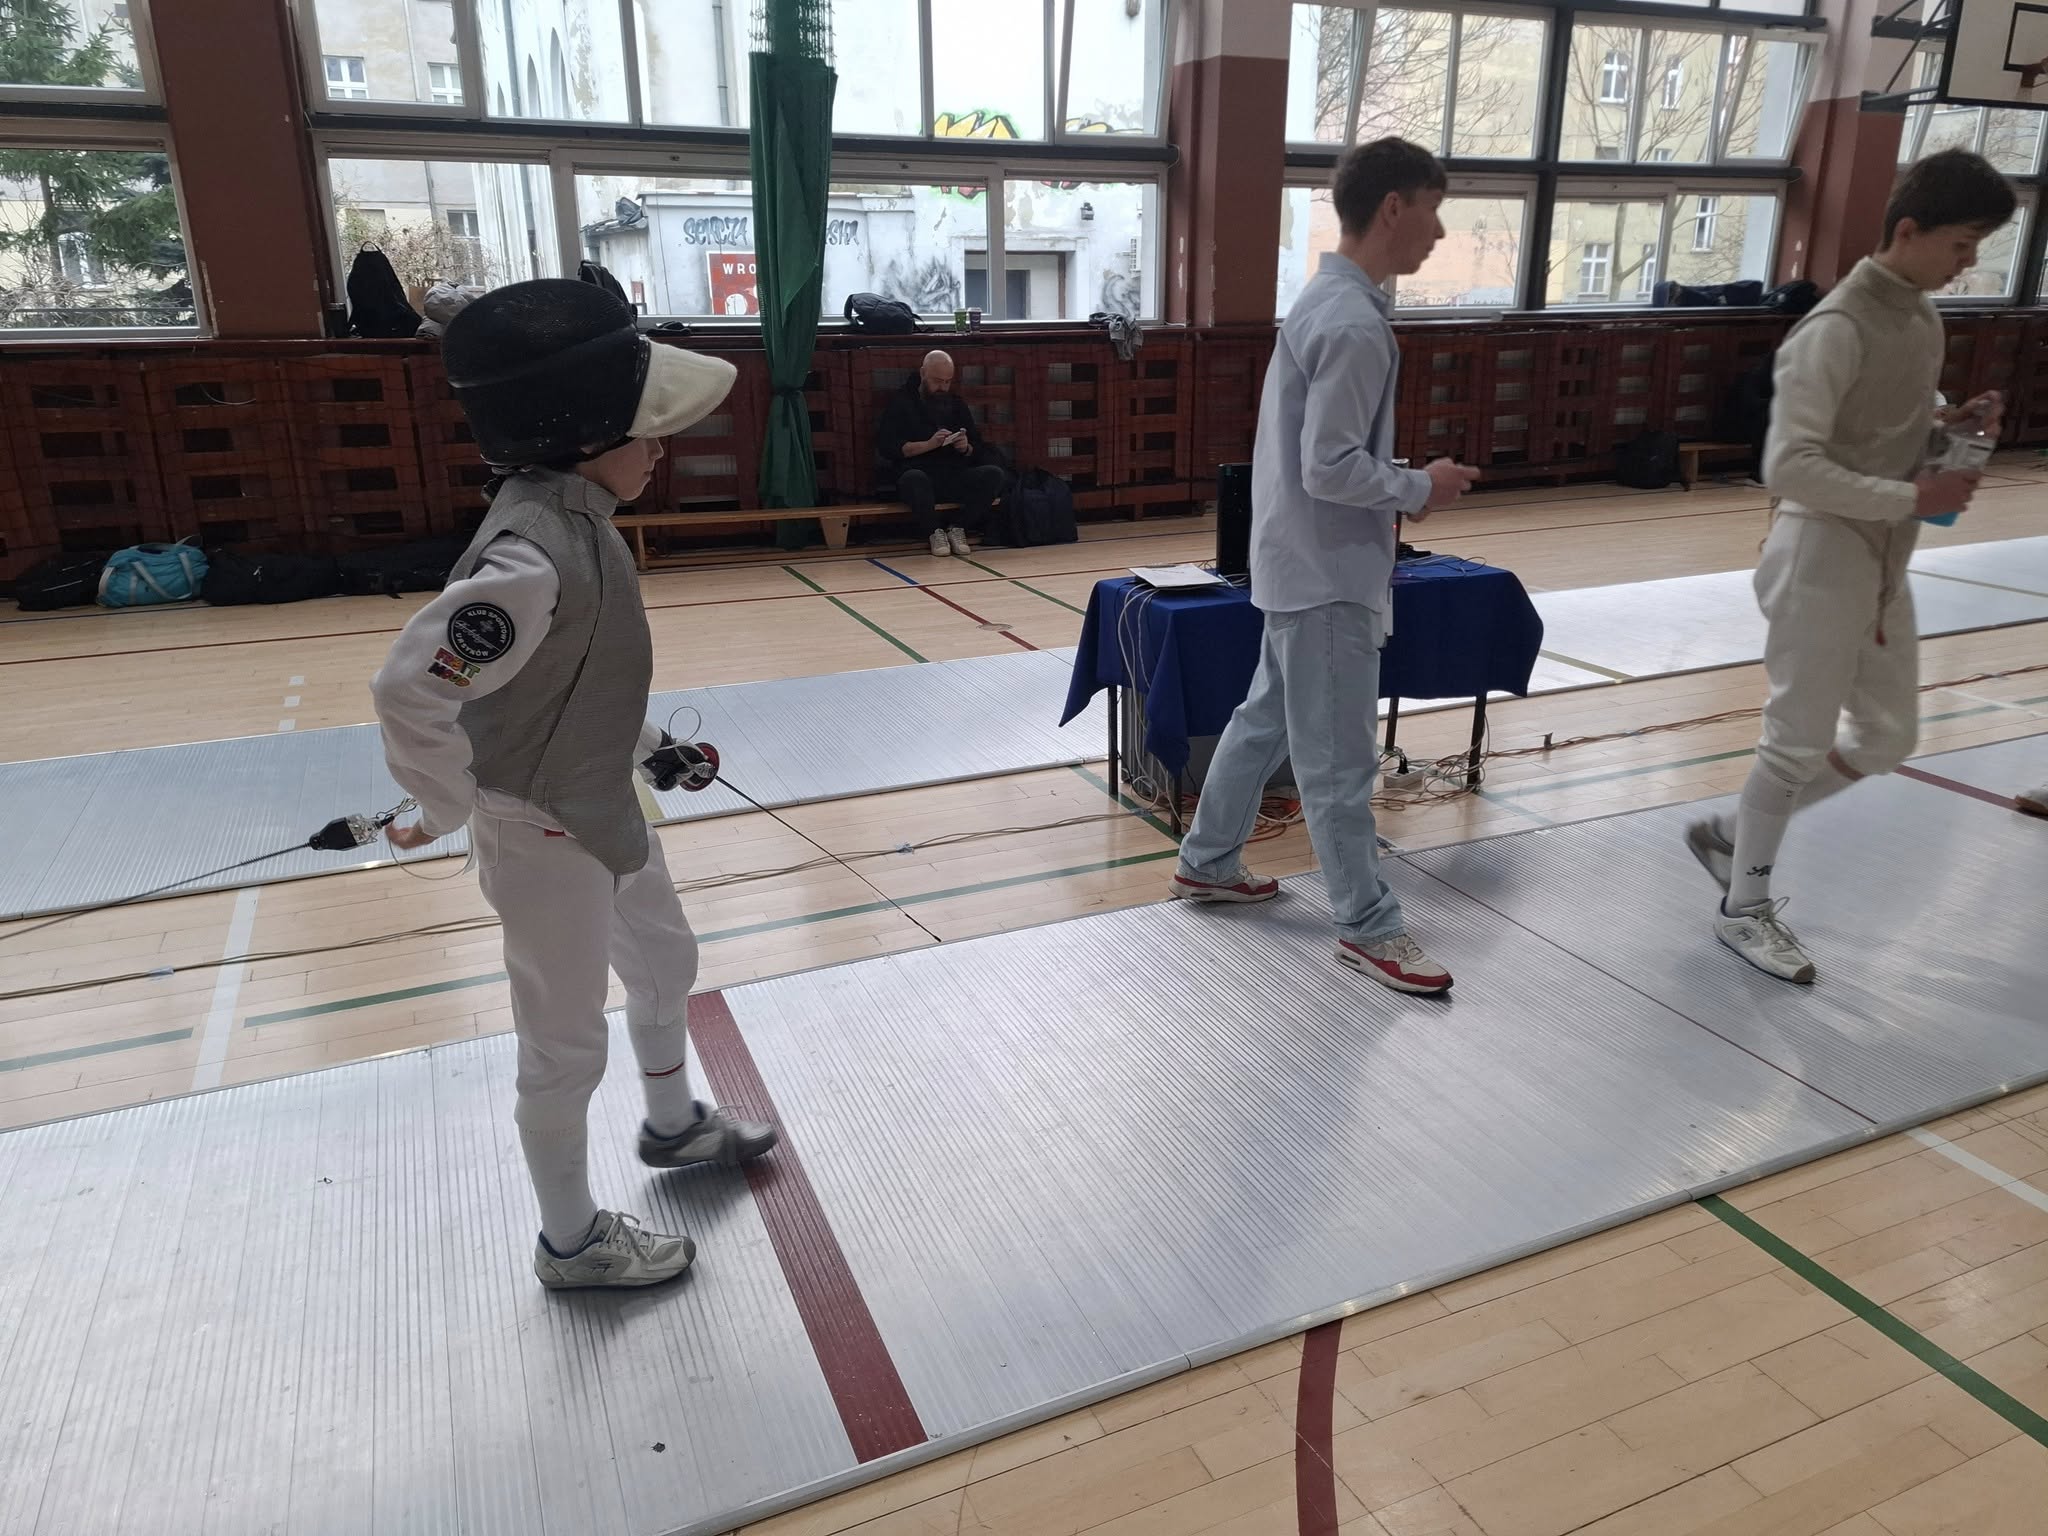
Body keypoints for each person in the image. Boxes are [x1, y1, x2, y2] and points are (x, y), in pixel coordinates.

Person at [371, 280, 777, 1290]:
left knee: (665, 964)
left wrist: (649, 746)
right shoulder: (526, 560)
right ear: (581, 434)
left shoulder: (582, 520)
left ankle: (673, 1126)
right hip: (539, 830)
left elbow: (573, 679)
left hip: (603, 806)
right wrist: (443, 805)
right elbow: (408, 688)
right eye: (645, 428)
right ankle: (571, 1242)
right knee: (562, 1045)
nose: (661, 447)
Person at [1685, 149, 2016, 984]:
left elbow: (1882, 433)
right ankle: (1744, 907)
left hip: (1880, 554)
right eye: (1961, 243)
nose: (1968, 260)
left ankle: (1732, 839)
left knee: (1888, 735)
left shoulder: (1921, 315)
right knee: (1796, 740)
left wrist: (1948, 429)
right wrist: (1915, 494)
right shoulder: (1833, 328)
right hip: (1819, 552)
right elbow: (1790, 464)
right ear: (1908, 230)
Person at [1166, 138, 1477, 995]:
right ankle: (1368, 926)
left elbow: (1323, 459)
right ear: (1392, 209)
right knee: (1338, 761)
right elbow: (1330, 466)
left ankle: (1208, 859)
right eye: (1432, 210)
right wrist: (1420, 485)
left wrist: (1404, 484)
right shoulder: (1350, 321)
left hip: (1299, 562)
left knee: (1265, 717)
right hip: (1327, 572)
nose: (1438, 232)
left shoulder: (1327, 303)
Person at [875, 349, 1006, 557]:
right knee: (913, 479)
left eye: (947, 382)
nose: (942, 387)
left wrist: (965, 446)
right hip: (919, 474)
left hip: (953, 473)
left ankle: (958, 528)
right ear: (923, 373)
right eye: (937, 381)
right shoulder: (901, 403)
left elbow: (977, 445)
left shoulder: (955, 403)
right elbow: (888, 447)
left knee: (994, 475)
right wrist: (929, 444)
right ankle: (934, 532)